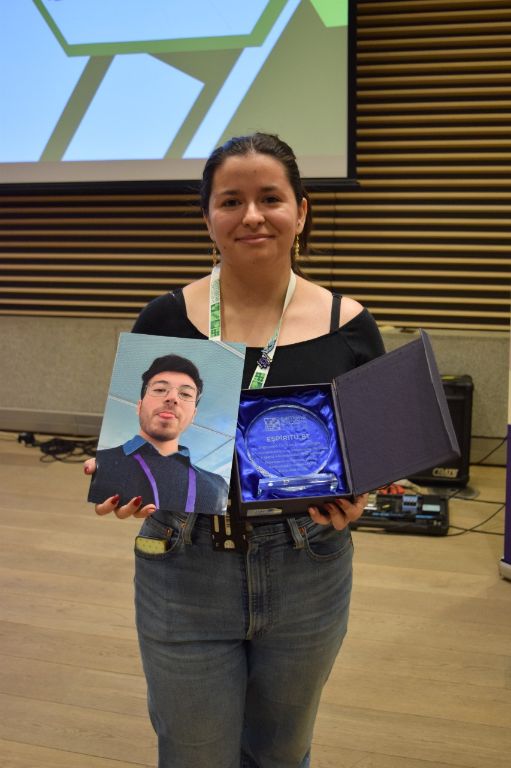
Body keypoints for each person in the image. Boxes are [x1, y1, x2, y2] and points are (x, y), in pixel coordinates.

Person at [88, 132, 385, 768]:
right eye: (231, 201)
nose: (252, 215)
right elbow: (140, 435)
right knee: (192, 753)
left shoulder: (351, 326)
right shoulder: (164, 319)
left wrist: (360, 501)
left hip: (309, 565)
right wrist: (121, 474)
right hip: (183, 561)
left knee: (282, 752)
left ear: (301, 212)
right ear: (208, 218)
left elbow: (370, 459)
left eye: (270, 198)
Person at [88, 353, 228, 516]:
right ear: (139, 406)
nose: (172, 398)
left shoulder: (218, 486)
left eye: (185, 394)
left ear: (193, 415)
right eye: (160, 389)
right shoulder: (103, 463)